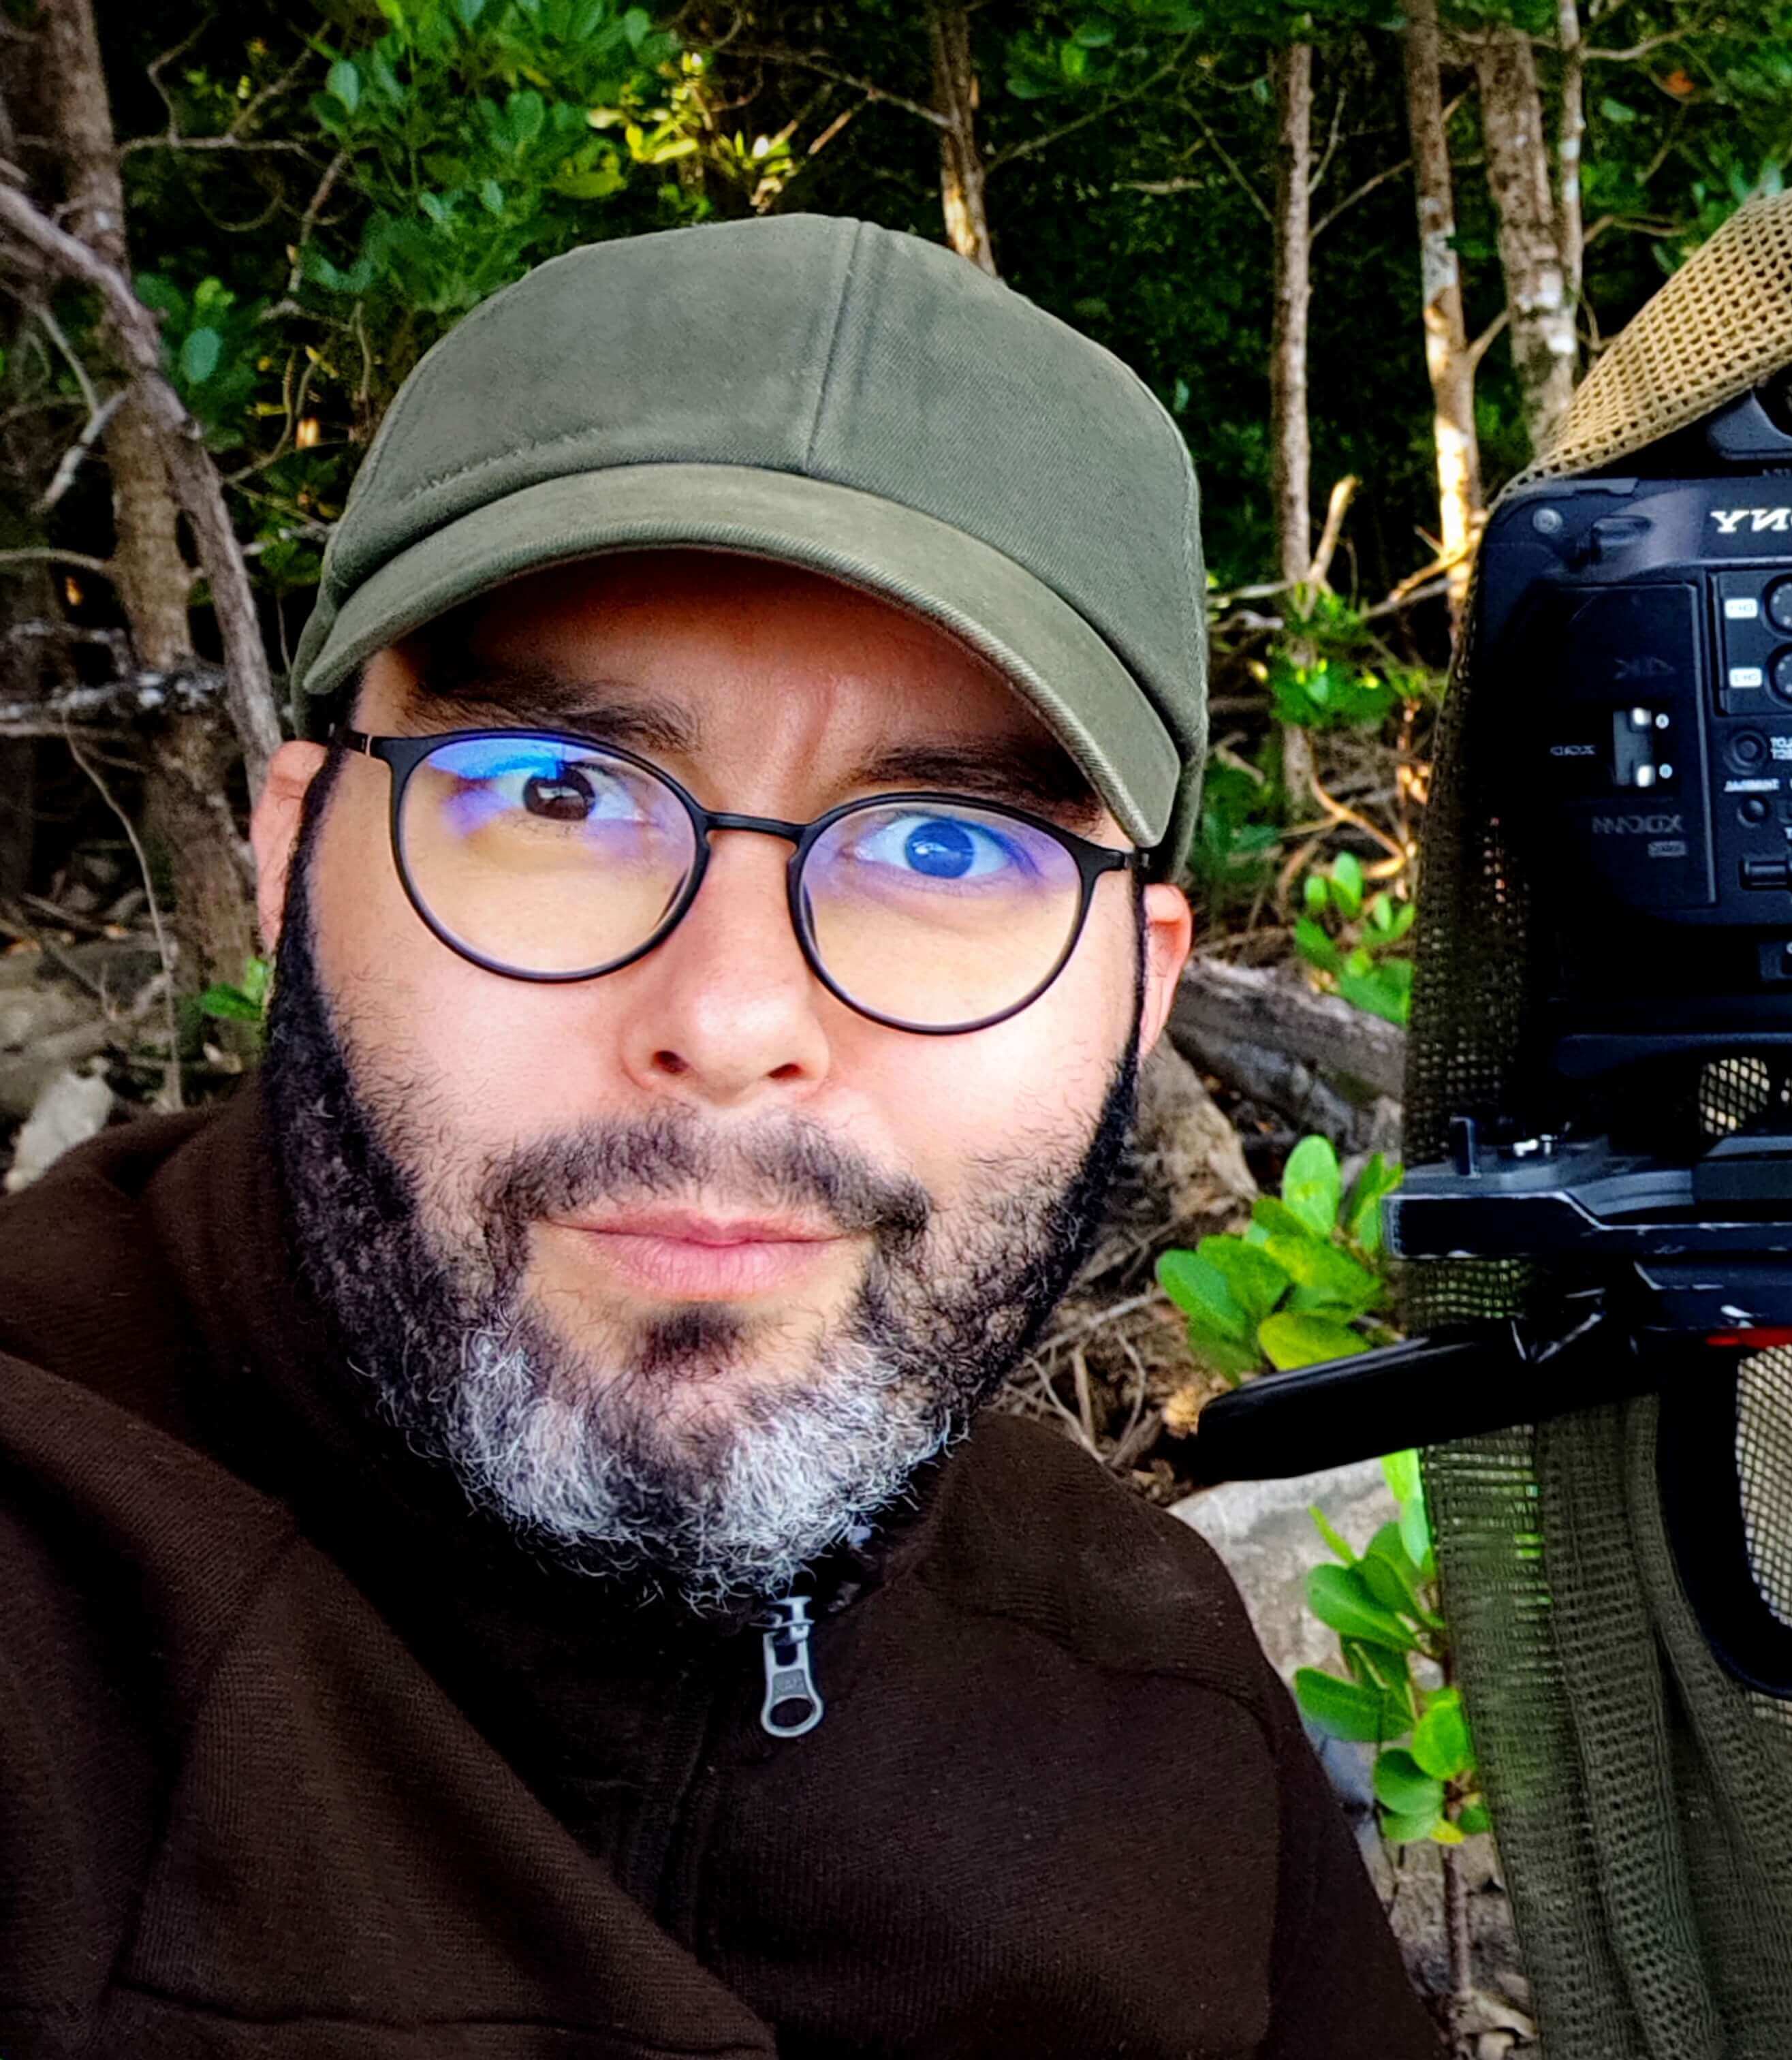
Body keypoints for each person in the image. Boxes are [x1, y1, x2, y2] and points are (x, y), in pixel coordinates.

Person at [0, 215, 1443, 2058]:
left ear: (1138, 999)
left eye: (947, 850)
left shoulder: (1153, 1694)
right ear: (293, 865)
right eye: (556, 792)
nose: (737, 1018)